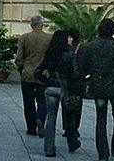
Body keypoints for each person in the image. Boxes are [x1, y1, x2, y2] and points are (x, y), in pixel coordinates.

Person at [76, 18, 114, 161]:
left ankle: (103, 154)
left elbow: (82, 67)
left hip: (98, 86)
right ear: (113, 30)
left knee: (101, 119)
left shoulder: (90, 46)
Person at [35, 29, 83, 157]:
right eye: (69, 37)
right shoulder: (70, 55)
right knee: (69, 117)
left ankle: (49, 149)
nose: (71, 39)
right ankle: (72, 141)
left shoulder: (50, 54)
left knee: (51, 118)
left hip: (50, 89)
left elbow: (37, 72)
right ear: (64, 39)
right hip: (65, 90)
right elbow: (75, 74)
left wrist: (47, 81)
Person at [15, 14, 50, 135]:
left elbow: (19, 58)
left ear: (31, 25)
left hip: (27, 74)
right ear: (42, 25)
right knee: (42, 101)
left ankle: (31, 127)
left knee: (28, 102)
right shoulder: (49, 38)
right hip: (43, 75)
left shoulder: (24, 38)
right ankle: (40, 118)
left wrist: (21, 70)